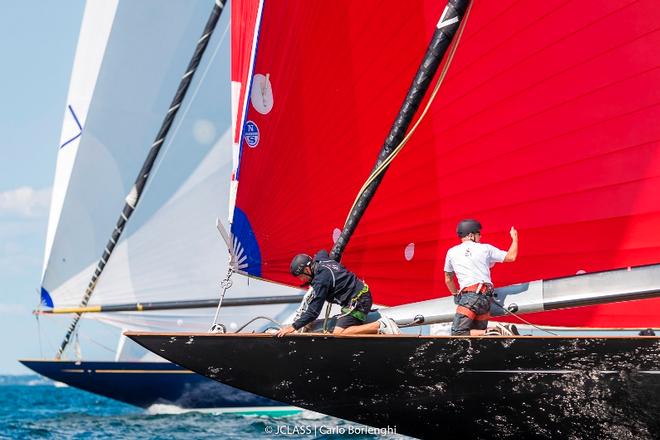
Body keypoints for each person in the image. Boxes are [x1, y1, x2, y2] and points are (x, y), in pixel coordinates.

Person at [276, 250, 399, 337]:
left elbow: (313, 312)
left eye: (302, 276)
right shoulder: (321, 259)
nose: (302, 280)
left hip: (359, 302)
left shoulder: (321, 280)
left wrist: (293, 327)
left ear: (307, 270)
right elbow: (323, 251)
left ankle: (381, 325)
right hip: (359, 297)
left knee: (338, 333)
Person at [444, 219, 519, 336]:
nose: (480, 236)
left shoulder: (451, 252)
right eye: (478, 234)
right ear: (470, 235)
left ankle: (497, 330)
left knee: (458, 333)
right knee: (477, 337)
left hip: (470, 297)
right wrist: (514, 239)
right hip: (486, 299)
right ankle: (496, 331)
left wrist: (455, 294)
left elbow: (448, 279)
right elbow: (511, 256)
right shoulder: (486, 248)